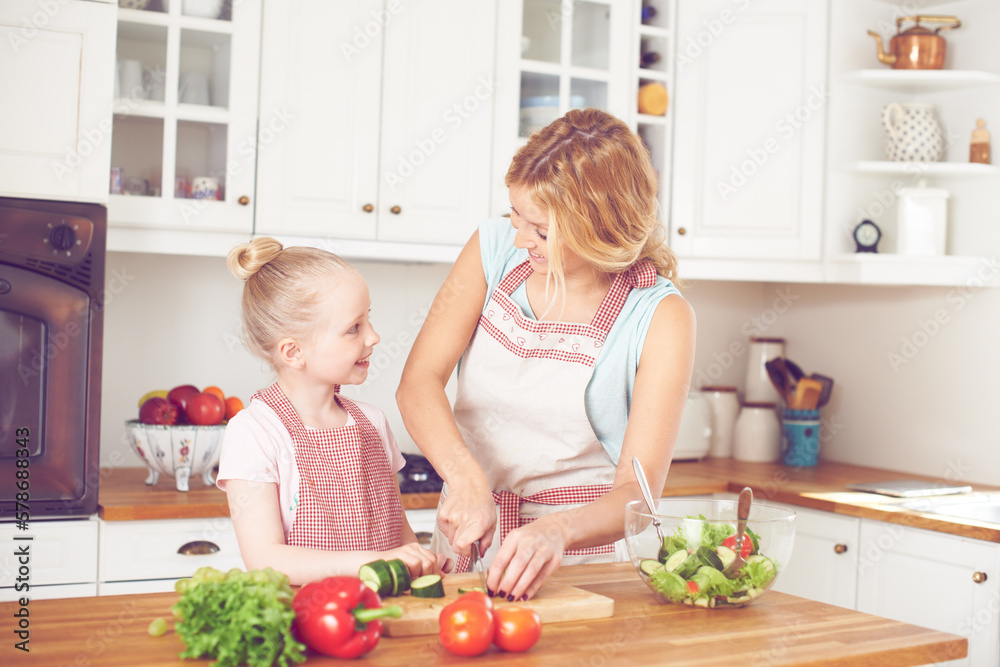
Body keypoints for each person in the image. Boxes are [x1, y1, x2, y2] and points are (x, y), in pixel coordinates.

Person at [396, 108, 695, 601]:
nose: (519, 238)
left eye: (540, 230)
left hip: (579, 564)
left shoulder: (660, 315)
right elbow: (418, 383)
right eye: (516, 215)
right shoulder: (492, 249)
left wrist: (557, 532)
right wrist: (466, 479)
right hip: (470, 534)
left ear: (601, 228)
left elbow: (637, 493)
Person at [217, 237, 450, 585]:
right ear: (293, 352)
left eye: (368, 319)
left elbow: (398, 533)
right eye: (353, 328)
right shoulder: (254, 432)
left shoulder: (372, 422)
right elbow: (266, 561)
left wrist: (418, 563)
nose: (373, 337)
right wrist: (378, 562)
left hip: (385, 610)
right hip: (309, 620)